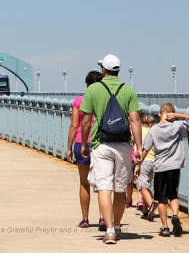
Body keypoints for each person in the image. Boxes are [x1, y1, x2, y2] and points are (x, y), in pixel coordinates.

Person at [80, 54, 143, 244]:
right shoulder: (129, 90)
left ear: (103, 70)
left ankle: (108, 232)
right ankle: (117, 226)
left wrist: (84, 143)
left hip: (101, 144)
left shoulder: (94, 90)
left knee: (105, 188)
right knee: (120, 189)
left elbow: (85, 121)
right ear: (118, 70)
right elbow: (135, 120)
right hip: (123, 145)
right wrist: (139, 147)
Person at [136, 103, 189, 237]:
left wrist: (138, 165)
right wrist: (177, 115)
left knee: (161, 198)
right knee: (173, 194)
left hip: (160, 167)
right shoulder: (176, 125)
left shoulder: (153, 130)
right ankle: (174, 215)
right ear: (171, 115)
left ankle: (165, 227)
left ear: (159, 114)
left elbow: (145, 150)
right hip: (175, 167)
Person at [65, 70, 105, 229]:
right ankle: (103, 218)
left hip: (81, 142)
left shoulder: (79, 101)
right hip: (100, 143)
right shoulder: (104, 100)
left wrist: (69, 147)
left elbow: (74, 125)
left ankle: (85, 219)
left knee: (84, 182)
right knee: (102, 183)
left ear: (87, 85)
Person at [135, 114, 157, 221]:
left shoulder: (138, 130)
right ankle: (145, 209)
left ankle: (151, 204)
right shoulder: (155, 131)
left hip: (143, 161)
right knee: (146, 184)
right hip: (154, 162)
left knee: (142, 186)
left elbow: (132, 141)